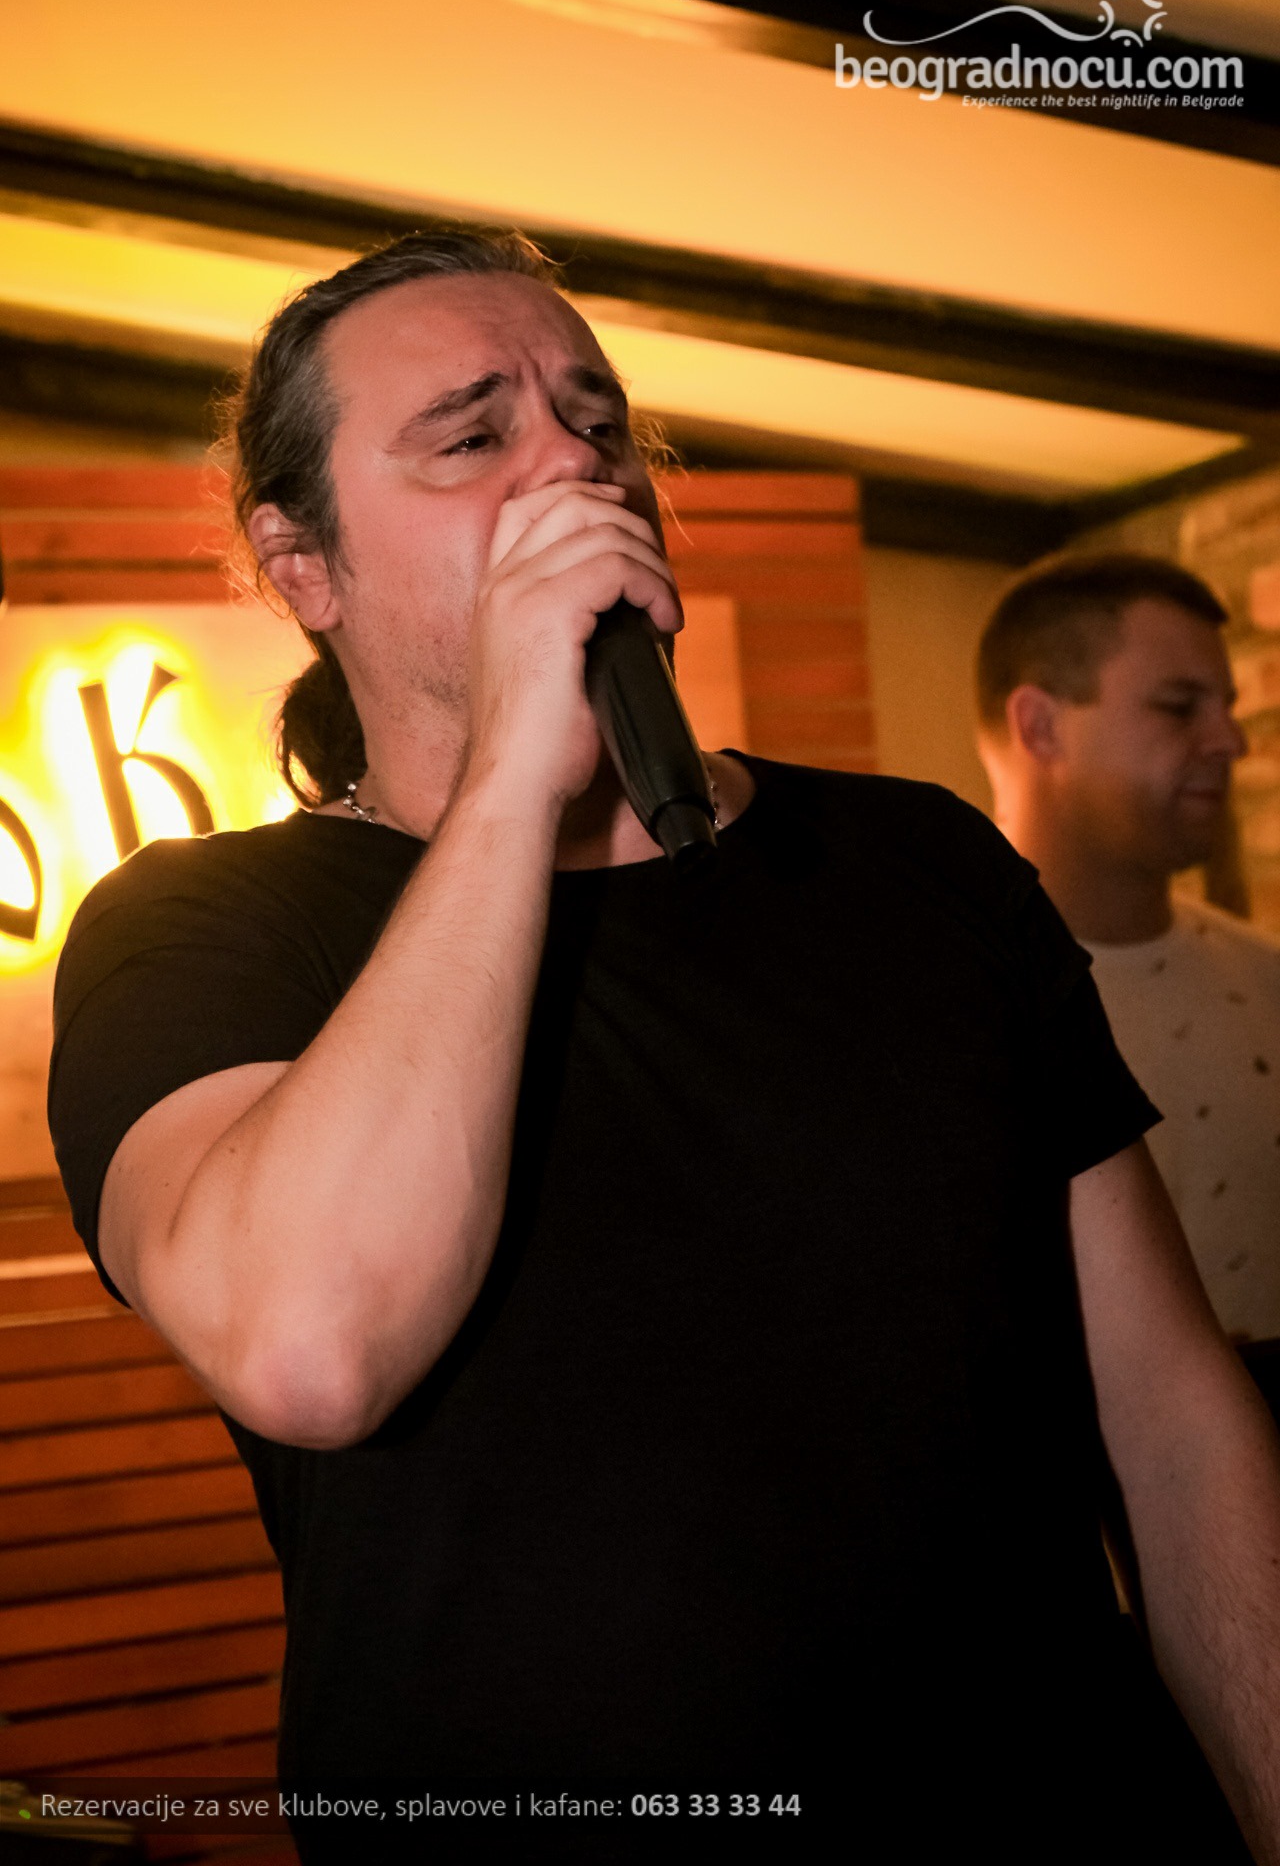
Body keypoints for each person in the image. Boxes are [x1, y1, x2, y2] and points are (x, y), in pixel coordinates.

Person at [47, 234, 1280, 1864]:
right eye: (473, 437)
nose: (575, 466)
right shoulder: (204, 929)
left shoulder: (918, 863)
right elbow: (310, 1349)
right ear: (302, 565)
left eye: (598, 422)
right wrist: (515, 774)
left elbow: (1170, 1415)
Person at [976, 555, 1280, 1394]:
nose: (1230, 741)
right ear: (1041, 727)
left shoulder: (1269, 978)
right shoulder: (938, 1004)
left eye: (1228, 707)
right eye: (1180, 707)